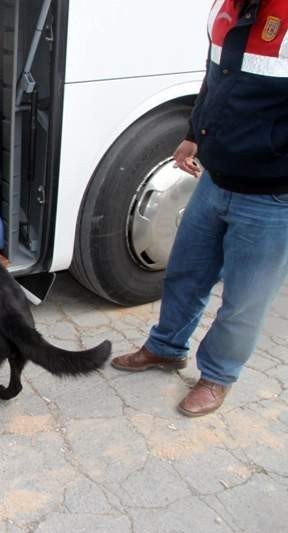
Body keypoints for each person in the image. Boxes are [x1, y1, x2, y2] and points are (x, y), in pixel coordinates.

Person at [111, 0, 288, 416]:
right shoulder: (227, 6)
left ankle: (218, 376)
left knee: (244, 300)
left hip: (271, 194)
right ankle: (166, 348)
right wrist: (194, 134)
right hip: (214, 178)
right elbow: (216, 76)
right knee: (187, 273)